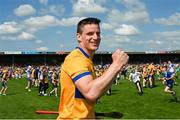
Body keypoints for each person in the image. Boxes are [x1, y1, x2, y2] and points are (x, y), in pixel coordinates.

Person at [57, 17, 129, 119]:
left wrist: (91, 116)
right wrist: (116, 65)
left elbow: (93, 97)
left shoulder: (86, 60)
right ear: (79, 37)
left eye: (98, 33)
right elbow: (91, 93)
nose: (95, 37)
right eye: (90, 33)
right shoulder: (76, 59)